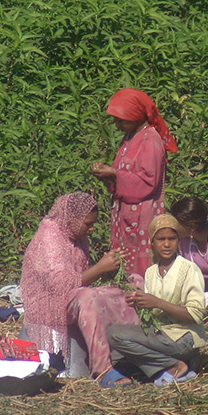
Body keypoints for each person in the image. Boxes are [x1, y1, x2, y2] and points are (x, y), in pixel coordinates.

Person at [20, 192, 138, 379]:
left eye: (93, 224)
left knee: (134, 282)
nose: (91, 229)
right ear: (72, 219)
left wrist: (110, 267)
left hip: (72, 294)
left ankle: (137, 353)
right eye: (88, 224)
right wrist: (100, 268)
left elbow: (83, 276)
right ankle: (102, 369)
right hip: (49, 303)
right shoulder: (48, 237)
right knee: (87, 297)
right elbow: (60, 285)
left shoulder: (75, 234)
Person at [103, 214, 207, 387]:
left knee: (115, 335)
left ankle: (173, 366)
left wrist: (157, 302)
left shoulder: (189, 269)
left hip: (184, 338)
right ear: (152, 242)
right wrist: (139, 301)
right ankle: (170, 364)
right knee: (117, 354)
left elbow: (196, 314)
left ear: (178, 240)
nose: (166, 244)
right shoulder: (151, 272)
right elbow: (151, 317)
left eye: (172, 239)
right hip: (163, 335)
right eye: (161, 239)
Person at [90, 88, 177, 279]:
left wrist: (113, 173)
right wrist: (107, 176)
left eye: (121, 120)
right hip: (127, 215)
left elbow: (148, 181)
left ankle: (145, 300)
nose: (117, 124)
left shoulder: (151, 139)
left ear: (136, 116)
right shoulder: (129, 138)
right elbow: (124, 173)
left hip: (143, 216)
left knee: (143, 266)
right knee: (126, 264)